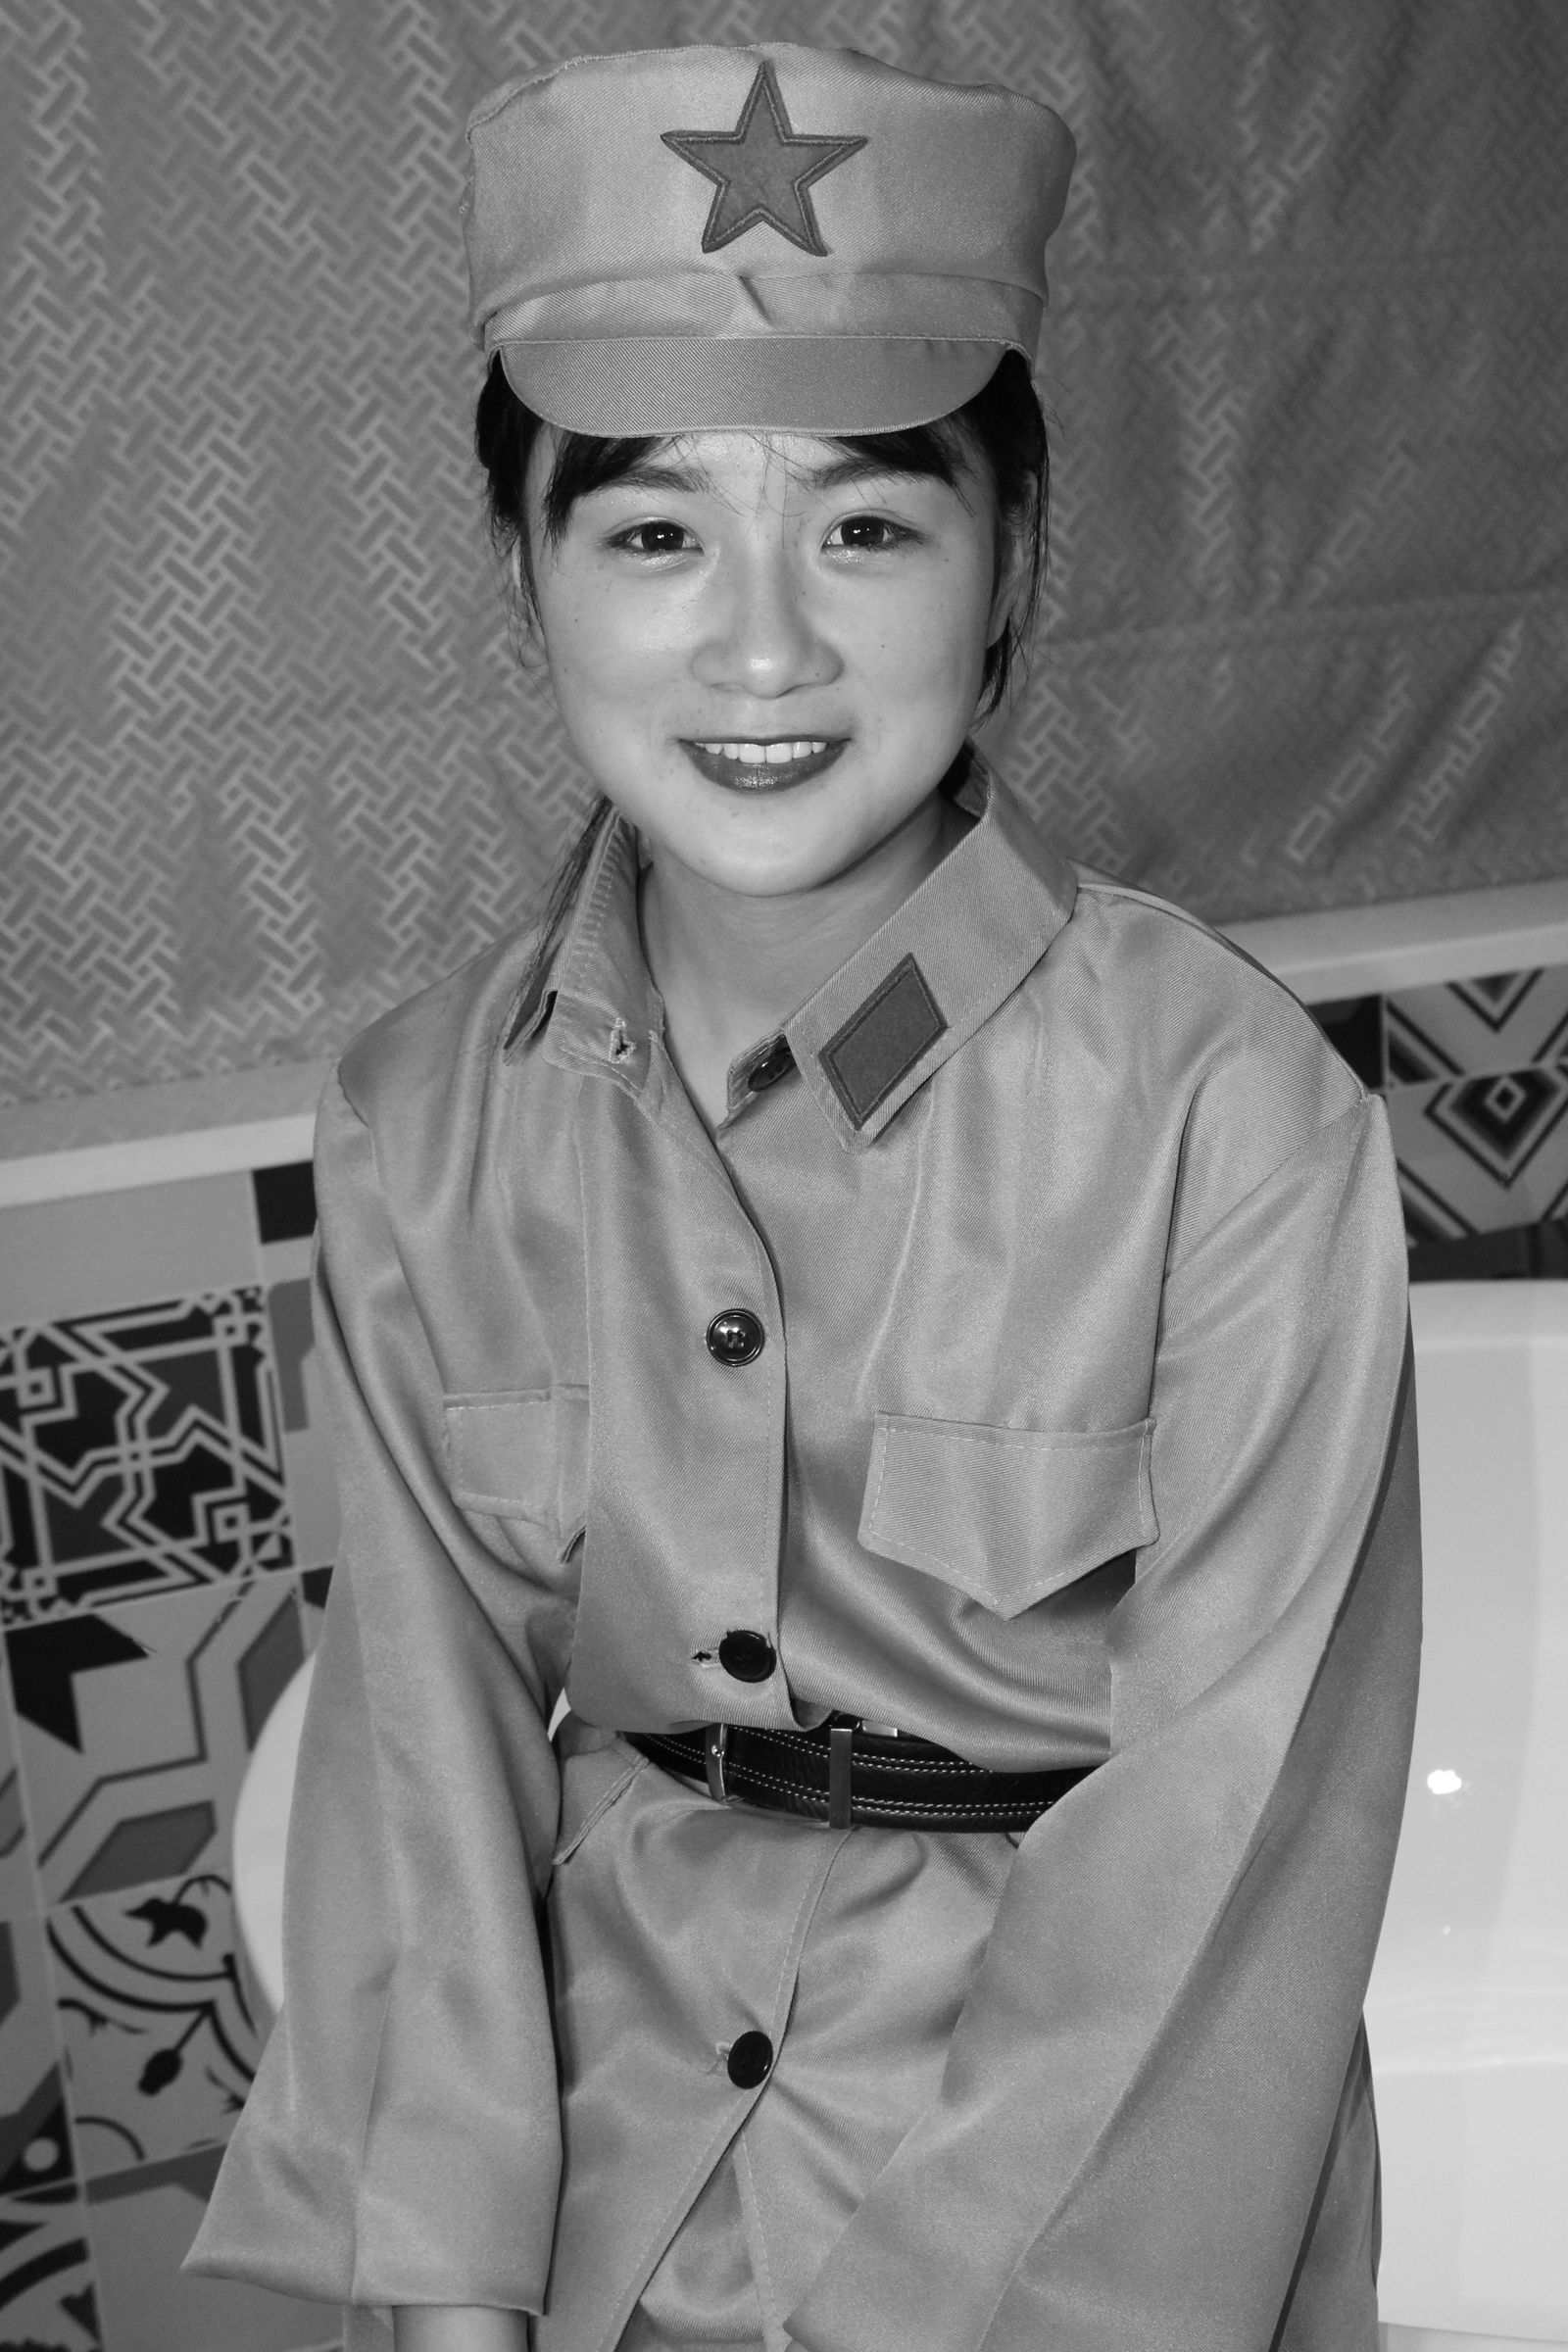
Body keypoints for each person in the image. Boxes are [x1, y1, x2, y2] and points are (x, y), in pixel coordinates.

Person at [187, 40, 1421, 2352]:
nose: (759, 647)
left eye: (863, 527)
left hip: (1079, 2217)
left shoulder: (1225, 1112)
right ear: (518, 568)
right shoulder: (417, 1123)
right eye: (652, 533)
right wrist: (450, 2289)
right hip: (605, 2160)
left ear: (1010, 556)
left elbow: (1232, 1844)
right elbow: (420, 1752)